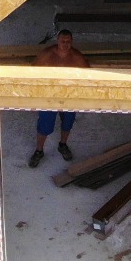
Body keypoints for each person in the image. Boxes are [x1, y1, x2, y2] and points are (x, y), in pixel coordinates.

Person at [28, 29, 90, 167]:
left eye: (68, 41)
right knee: (45, 124)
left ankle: (63, 144)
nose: (65, 44)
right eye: (63, 41)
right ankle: (39, 150)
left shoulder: (77, 57)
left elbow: (88, 76)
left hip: (69, 95)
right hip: (49, 95)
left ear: (72, 42)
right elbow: (32, 71)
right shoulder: (47, 54)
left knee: (68, 121)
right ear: (57, 41)